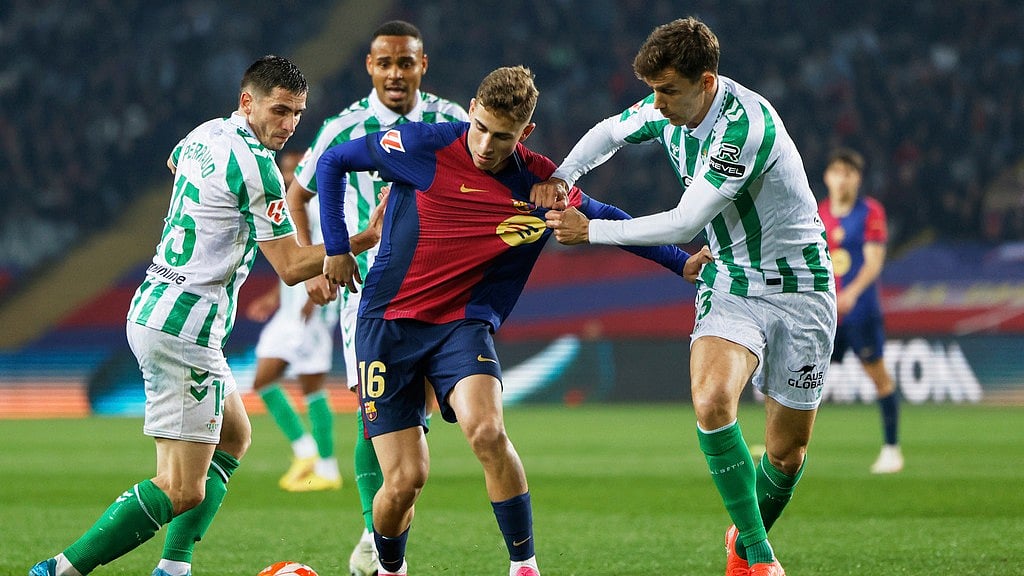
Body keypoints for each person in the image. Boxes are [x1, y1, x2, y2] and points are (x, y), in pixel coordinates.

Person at [318, 65, 710, 576]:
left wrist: (681, 262)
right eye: (479, 127)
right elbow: (332, 161)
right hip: (388, 325)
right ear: (472, 113)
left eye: (501, 136)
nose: (484, 144)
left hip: (463, 326)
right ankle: (389, 567)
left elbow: (608, 217)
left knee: (487, 431)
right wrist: (335, 249)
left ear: (523, 133)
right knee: (406, 480)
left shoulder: (541, 184)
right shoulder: (423, 146)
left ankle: (524, 566)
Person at [28, 55, 372, 576]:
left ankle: (174, 568)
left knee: (234, 436)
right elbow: (289, 266)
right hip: (185, 326)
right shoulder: (259, 168)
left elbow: (178, 166)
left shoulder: (204, 134)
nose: (287, 125)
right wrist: (362, 239)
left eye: (297, 114)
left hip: (156, 305)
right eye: (278, 111)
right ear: (247, 101)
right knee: (181, 488)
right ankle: (60, 569)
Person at [536, 18, 836, 576]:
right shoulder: (665, 107)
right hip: (729, 281)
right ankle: (762, 558)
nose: (657, 103)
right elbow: (608, 133)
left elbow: (682, 224)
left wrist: (591, 232)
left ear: (706, 80)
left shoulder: (744, 129)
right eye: (652, 90)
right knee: (711, 401)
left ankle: (742, 542)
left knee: (786, 454)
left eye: (668, 91)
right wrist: (563, 174)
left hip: (801, 288)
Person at [282, 19, 468, 576]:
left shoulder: (452, 120)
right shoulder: (344, 127)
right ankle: (374, 536)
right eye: (384, 63)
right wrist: (313, 256)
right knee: (378, 411)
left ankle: (380, 533)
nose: (394, 73)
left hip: (441, 291)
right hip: (368, 295)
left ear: (422, 65)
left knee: (421, 413)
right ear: (369, 66)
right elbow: (298, 192)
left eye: (405, 62)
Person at [244, 150, 343, 492]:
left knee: (310, 386)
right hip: (289, 312)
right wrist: (274, 297)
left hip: (310, 311)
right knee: (263, 380)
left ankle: (326, 467)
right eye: (284, 171)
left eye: (294, 171)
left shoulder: (314, 209)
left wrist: (312, 306)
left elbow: (331, 255)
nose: (288, 178)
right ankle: (307, 453)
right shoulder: (287, 208)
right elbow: (295, 262)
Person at [818, 148, 903, 474]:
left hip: (860, 312)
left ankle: (892, 449)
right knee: (806, 378)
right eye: (837, 172)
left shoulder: (870, 212)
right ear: (827, 177)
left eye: (849, 173)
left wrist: (850, 294)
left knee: (878, 377)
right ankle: (786, 447)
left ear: (858, 179)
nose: (842, 179)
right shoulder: (819, 213)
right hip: (825, 315)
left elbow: (874, 262)